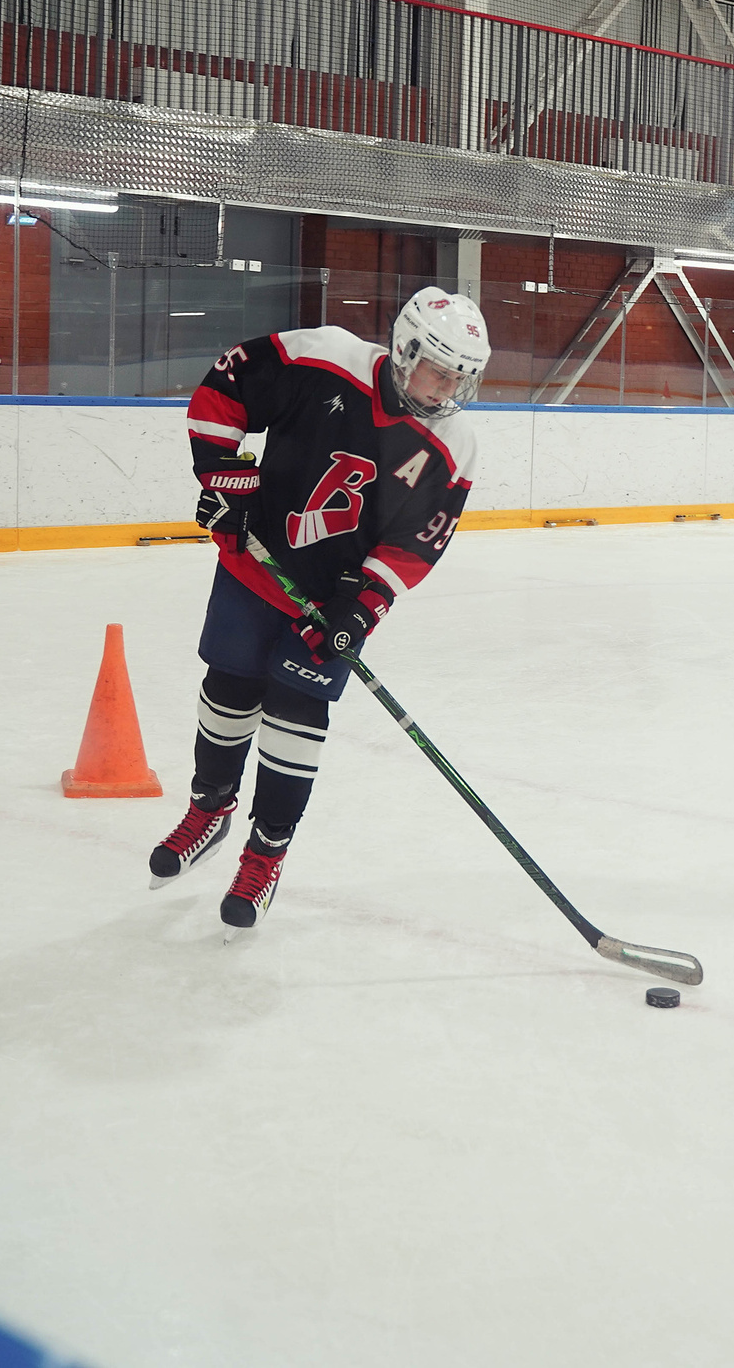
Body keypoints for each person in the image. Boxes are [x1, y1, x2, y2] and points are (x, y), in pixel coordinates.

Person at [154, 286, 490, 929]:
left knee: (297, 714)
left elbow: (417, 544)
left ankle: (266, 851)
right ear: (405, 348)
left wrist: (360, 609)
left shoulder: (455, 443)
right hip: (257, 565)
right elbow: (223, 390)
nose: (446, 387)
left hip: (330, 604)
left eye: (459, 377)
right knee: (227, 690)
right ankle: (211, 807)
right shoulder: (327, 356)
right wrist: (226, 484)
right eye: (438, 369)